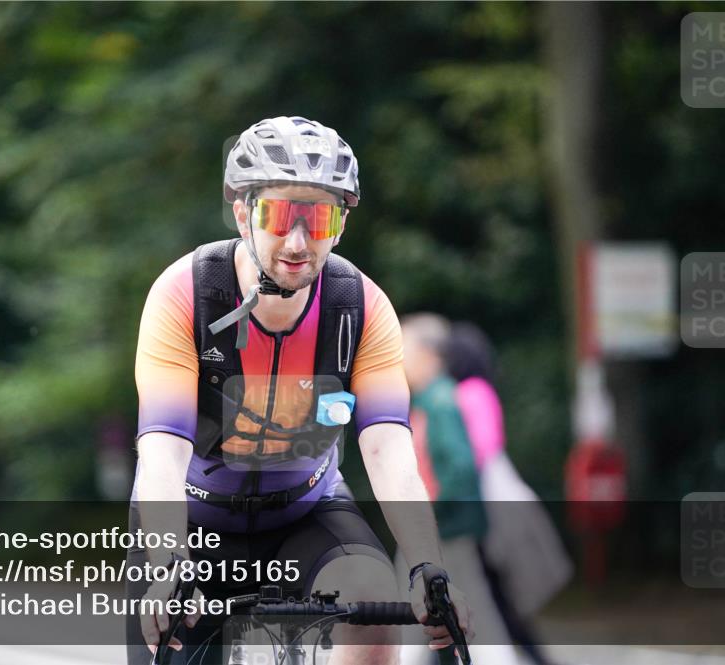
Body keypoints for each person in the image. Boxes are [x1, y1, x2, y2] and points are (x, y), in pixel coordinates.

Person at [128, 116, 471, 665]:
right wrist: (168, 562)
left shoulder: (360, 306)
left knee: (374, 606)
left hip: (305, 512)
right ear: (243, 214)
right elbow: (163, 450)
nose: (297, 240)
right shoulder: (185, 293)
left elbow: (387, 446)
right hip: (194, 521)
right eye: (280, 215)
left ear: (339, 225)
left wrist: (427, 566)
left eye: (318, 218)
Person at [443, 322, 570, 665]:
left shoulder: (469, 392)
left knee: (487, 592)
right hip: (487, 503)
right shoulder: (479, 390)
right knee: (487, 593)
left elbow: (481, 449)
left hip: (486, 507)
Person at [398, 314, 518, 665]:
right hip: (436, 529)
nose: (398, 358)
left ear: (429, 355)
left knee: (466, 608)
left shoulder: (441, 402)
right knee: (440, 607)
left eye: (405, 348)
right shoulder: (428, 400)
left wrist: (430, 512)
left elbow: (461, 467)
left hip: (444, 530)